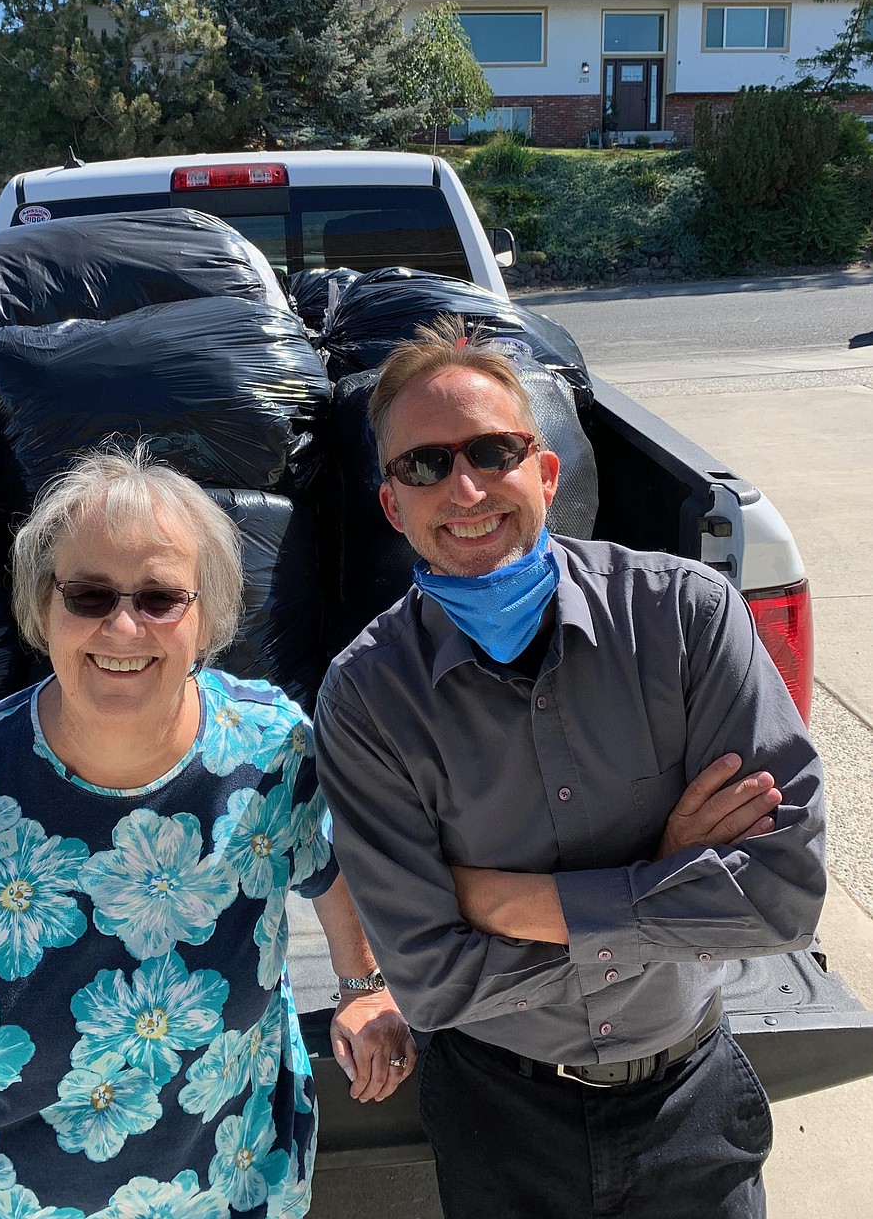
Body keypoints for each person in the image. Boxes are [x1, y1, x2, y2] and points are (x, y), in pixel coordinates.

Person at [313, 318, 827, 1219]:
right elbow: (434, 981)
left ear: (545, 473)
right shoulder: (367, 698)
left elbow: (782, 894)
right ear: (394, 506)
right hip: (496, 1111)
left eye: (492, 450)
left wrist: (508, 903)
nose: (464, 486)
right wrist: (669, 876)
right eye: (425, 465)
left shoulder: (686, 618)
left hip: (691, 1094)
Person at [0, 446, 414, 1219]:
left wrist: (363, 985)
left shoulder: (270, 751)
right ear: (44, 609)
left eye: (161, 597)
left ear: (207, 616)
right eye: (89, 595)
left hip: (234, 1195)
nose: (124, 626)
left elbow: (328, 860)